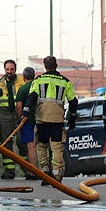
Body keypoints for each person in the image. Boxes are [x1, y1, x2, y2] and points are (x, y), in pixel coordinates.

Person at [24, 55, 78, 185]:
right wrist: (72, 116)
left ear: (44, 66)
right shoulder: (65, 82)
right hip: (57, 120)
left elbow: (32, 96)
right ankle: (57, 175)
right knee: (57, 148)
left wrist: (26, 110)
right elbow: (73, 101)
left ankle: (45, 173)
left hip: (42, 119)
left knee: (41, 146)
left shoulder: (38, 80)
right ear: (56, 66)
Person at [0, 59, 26, 179]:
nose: (9, 72)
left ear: (15, 69)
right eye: (7, 69)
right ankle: (9, 171)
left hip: (19, 113)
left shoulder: (22, 81)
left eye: (11, 69)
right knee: (5, 143)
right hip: (5, 114)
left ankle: (26, 169)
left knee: (22, 142)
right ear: (4, 70)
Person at [14, 66, 37, 179]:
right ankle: (45, 170)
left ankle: (32, 172)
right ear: (34, 76)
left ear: (23, 77)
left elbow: (19, 107)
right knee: (42, 146)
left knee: (30, 146)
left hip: (26, 122)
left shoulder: (23, 89)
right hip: (40, 120)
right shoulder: (38, 87)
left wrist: (20, 120)